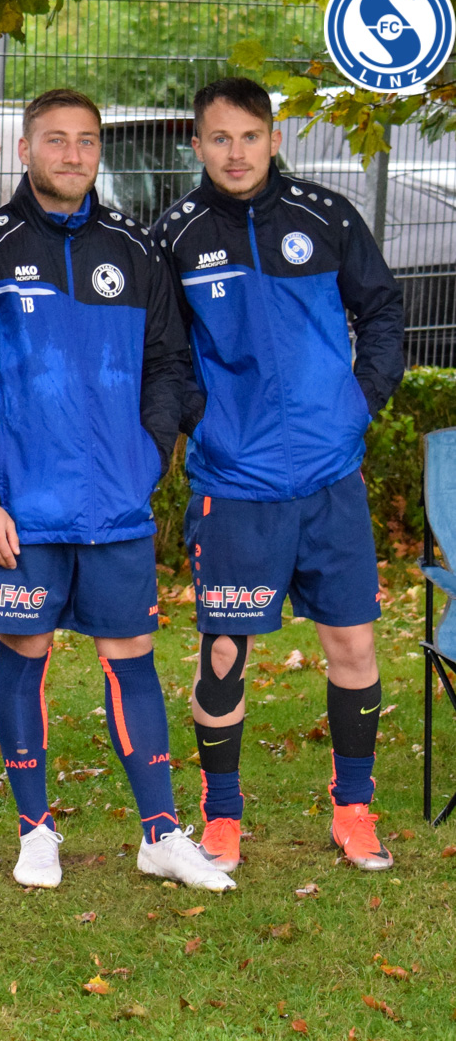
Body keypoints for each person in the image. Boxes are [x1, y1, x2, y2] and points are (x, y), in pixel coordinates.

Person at [0, 88, 234, 893]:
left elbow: (170, 367)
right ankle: (34, 831)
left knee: (132, 660)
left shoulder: (136, 248)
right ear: (25, 149)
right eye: (56, 140)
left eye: (85, 141)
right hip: (20, 509)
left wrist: (148, 454)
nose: (73, 154)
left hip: (116, 502)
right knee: (26, 656)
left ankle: (161, 834)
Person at [153, 77, 405, 874]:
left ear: (274, 138)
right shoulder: (176, 236)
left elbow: (383, 311)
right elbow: (161, 354)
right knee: (224, 655)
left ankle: (354, 810)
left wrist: (357, 405)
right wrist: (205, 421)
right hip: (236, 483)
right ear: (197, 144)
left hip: (331, 476)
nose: (236, 153)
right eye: (219, 138)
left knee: (353, 643)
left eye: (250, 136)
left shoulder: (325, 217)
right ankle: (222, 818)